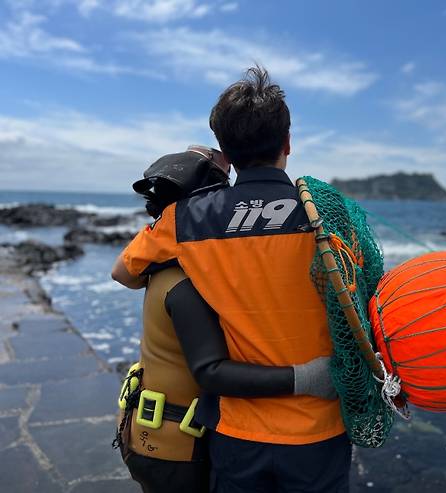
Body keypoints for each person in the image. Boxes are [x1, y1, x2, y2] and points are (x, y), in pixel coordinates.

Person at [112, 66, 351, 492]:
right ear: (288, 143)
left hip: (236, 433)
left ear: (225, 149)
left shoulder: (185, 219)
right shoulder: (328, 217)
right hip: (319, 429)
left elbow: (124, 273)